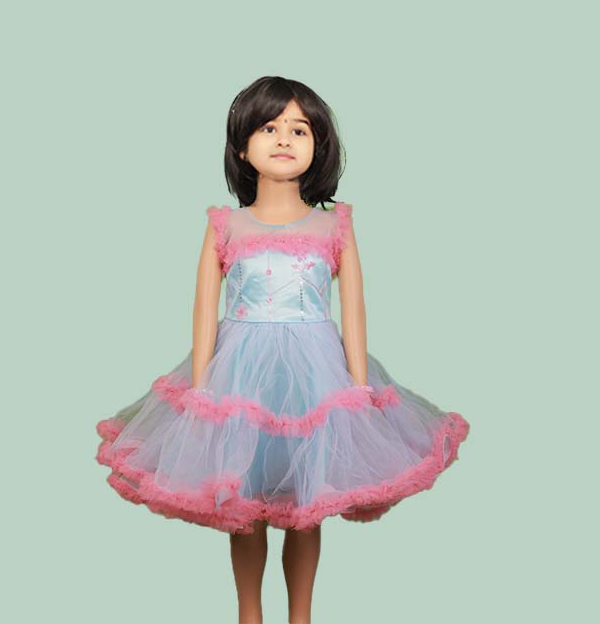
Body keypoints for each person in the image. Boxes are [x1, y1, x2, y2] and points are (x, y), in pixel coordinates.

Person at [95, 75, 471, 624]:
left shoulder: (334, 225)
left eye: (299, 130)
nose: (284, 139)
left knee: (305, 505)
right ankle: (249, 614)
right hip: (239, 373)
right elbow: (203, 309)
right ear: (241, 146)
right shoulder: (224, 224)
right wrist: (201, 393)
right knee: (242, 503)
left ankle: (302, 616)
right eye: (269, 127)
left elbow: (354, 310)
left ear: (319, 144)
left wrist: (358, 390)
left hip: (316, 374)